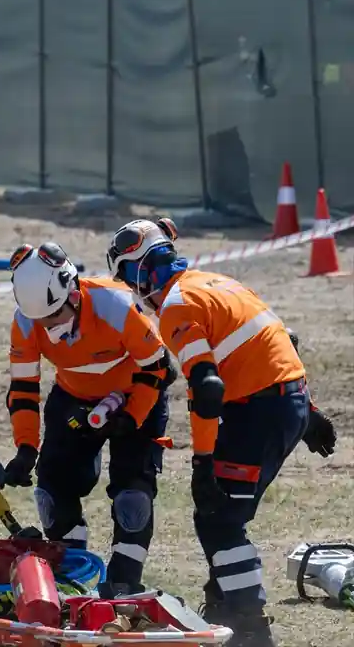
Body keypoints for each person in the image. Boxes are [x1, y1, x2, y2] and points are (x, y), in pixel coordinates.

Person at [106, 217, 339, 646]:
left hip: (259, 410)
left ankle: (248, 623)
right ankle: (223, 601)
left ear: (139, 269)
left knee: (219, 518)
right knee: (230, 510)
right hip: (285, 397)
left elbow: (207, 388)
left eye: (125, 275)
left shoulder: (177, 305)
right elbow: (282, 340)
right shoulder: (220, 281)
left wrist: (203, 461)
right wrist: (307, 411)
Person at [1, 241, 175, 596]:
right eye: (40, 320)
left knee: (132, 497)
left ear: (74, 296)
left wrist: (132, 416)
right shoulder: (25, 322)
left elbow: (159, 369)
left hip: (137, 392)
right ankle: (71, 576)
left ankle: (125, 581)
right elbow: (22, 389)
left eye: (54, 316)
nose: (48, 327)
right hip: (73, 397)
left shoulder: (117, 305)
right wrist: (24, 449)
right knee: (51, 491)